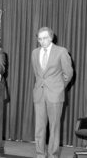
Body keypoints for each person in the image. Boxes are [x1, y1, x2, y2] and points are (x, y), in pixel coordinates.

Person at [31, 27, 73, 158]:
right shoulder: (34, 52)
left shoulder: (61, 51)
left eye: (45, 38)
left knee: (54, 128)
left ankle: (53, 155)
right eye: (39, 38)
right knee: (39, 128)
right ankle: (40, 155)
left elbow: (68, 73)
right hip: (39, 94)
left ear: (51, 37)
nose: (42, 41)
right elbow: (37, 74)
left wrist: (59, 88)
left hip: (55, 95)